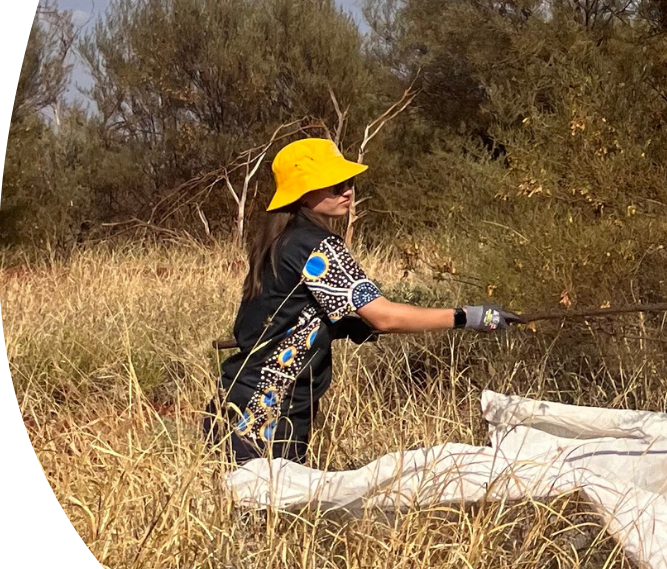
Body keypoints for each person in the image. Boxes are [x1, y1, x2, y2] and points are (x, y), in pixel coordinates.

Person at [206, 137, 514, 467]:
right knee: (273, 512)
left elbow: (283, 315)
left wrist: (337, 325)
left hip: (237, 402)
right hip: (267, 415)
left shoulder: (280, 240)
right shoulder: (320, 248)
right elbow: (384, 316)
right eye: (335, 185)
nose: (347, 192)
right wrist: (467, 316)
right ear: (303, 192)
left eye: (349, 182)